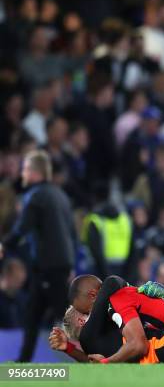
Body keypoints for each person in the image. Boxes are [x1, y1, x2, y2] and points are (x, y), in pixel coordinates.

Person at [0, 149, 77, 361]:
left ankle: (94, 358)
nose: (22, 173)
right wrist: (71, 264)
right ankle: (23, 363)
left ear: (35, 172)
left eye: (25, 169)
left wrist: (4, 245)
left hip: (48, 267)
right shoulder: (60, 195)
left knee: (64, 316)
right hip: (54, 266)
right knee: (33, 315)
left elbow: (22, 228)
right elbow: (72, 233)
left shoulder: (35, 196)